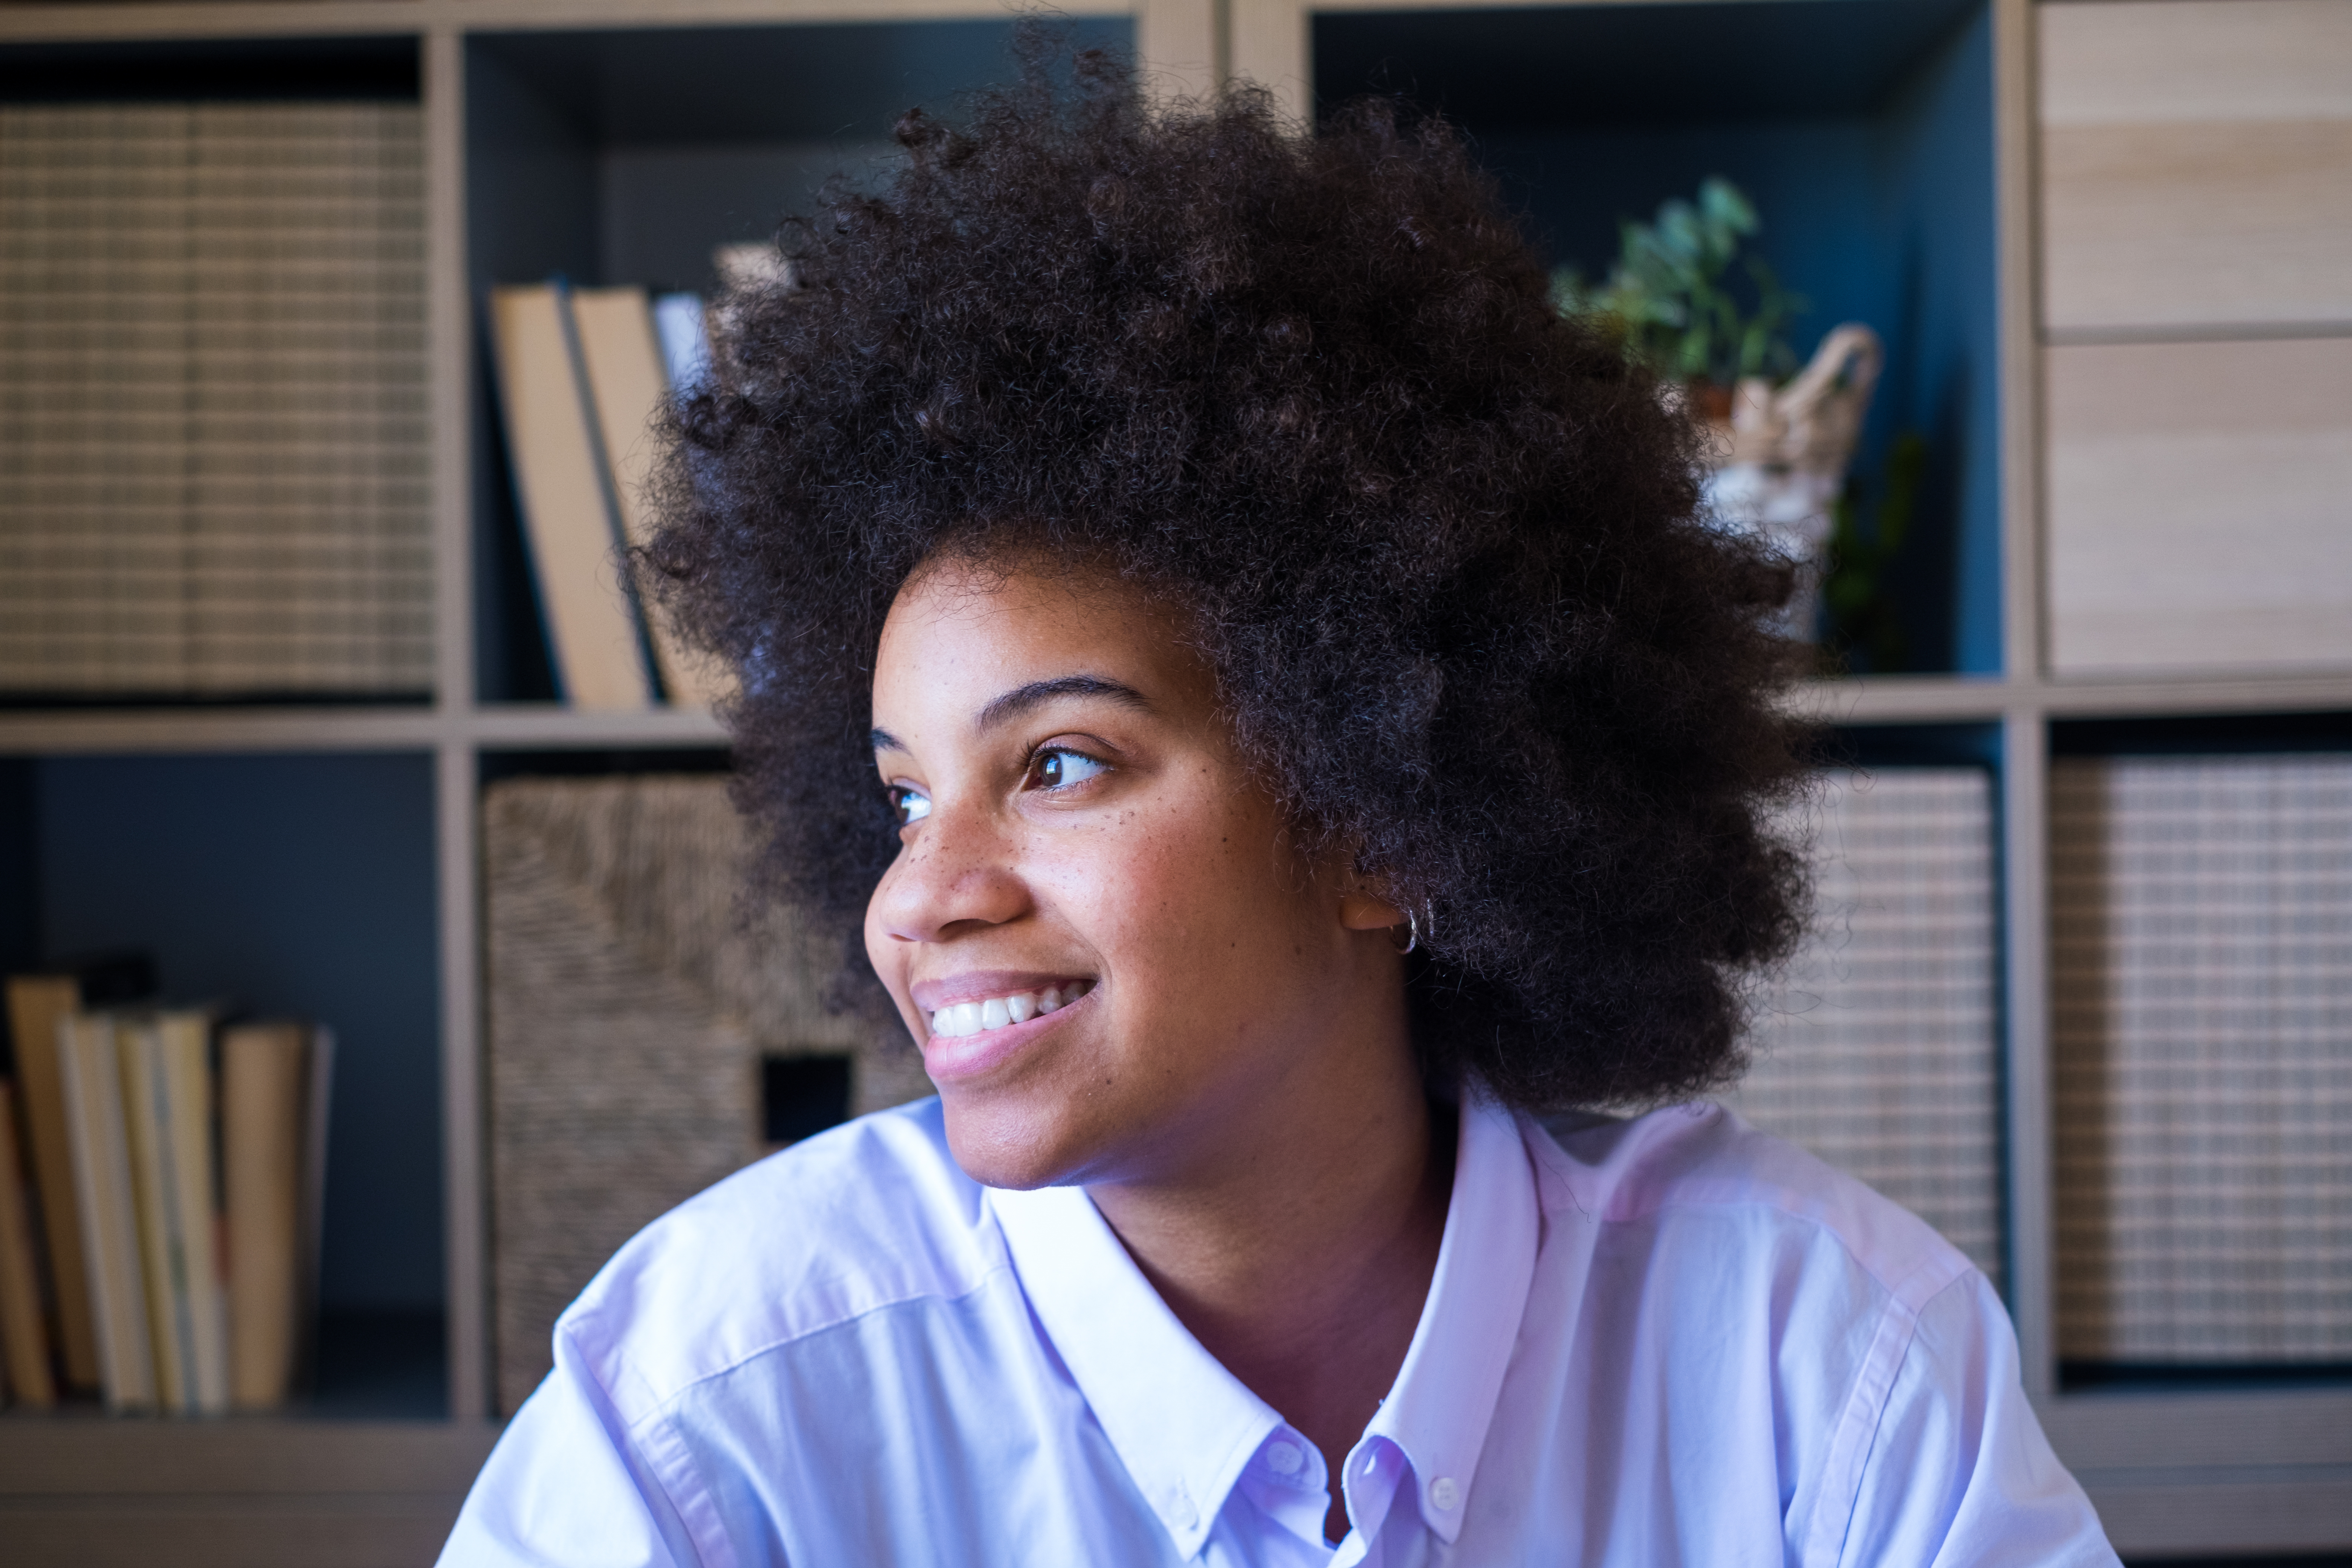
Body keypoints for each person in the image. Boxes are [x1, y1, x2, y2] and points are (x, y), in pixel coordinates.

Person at [441, 38, 2118, 1567]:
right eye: (900, 796)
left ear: (1388, 816)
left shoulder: (1823, 1367)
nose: (921, 896)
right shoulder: (707, 1414)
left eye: (1059, 764)